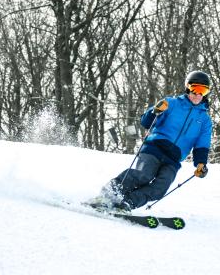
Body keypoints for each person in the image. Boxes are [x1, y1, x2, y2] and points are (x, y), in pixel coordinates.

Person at [90, 70, 213, 212]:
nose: (198, 94)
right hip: (154, 148)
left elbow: (202, 144)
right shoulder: (171, 103)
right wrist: (154, 111)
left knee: (160, 189)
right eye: (195, 89)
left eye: (203, 91)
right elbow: (146, 122)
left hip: (174, 158)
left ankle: (127, 203)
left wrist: (201, 164)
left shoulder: (205, 120)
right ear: (188, 87)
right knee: (143, 175)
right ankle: (108, 195)